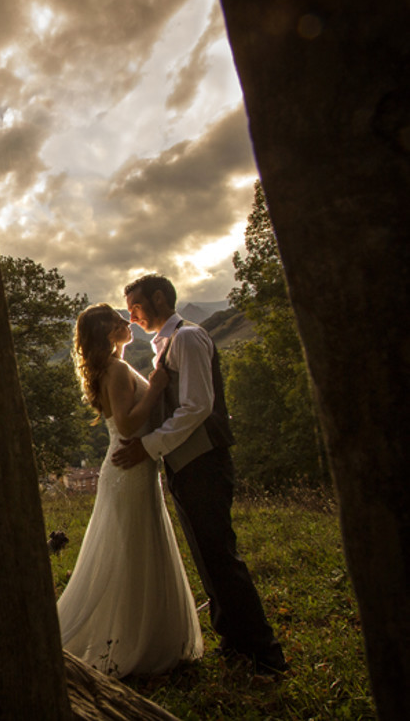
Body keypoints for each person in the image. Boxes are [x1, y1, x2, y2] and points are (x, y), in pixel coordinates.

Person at [112, 274, 288, 675]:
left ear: (160, 298)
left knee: (221, 556)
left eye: (136, 306)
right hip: (184, 463)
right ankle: (233, 641)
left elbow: (197, 406)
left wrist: (148, 446)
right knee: (207, 557)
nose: (132, 316)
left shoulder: (188, 338)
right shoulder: (164, 344)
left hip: (204, 461)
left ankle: (264, 654)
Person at [56, 303, 203, 678]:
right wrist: (156, 389)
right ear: (106, 331)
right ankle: (138, 644)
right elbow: (126, 425)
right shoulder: (117, 369)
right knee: (136, 550)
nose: (127, 322)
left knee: (133, 549)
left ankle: (137, 636)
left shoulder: (110, 366)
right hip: (130, 468)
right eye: (119, 320)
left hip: (129, 467)